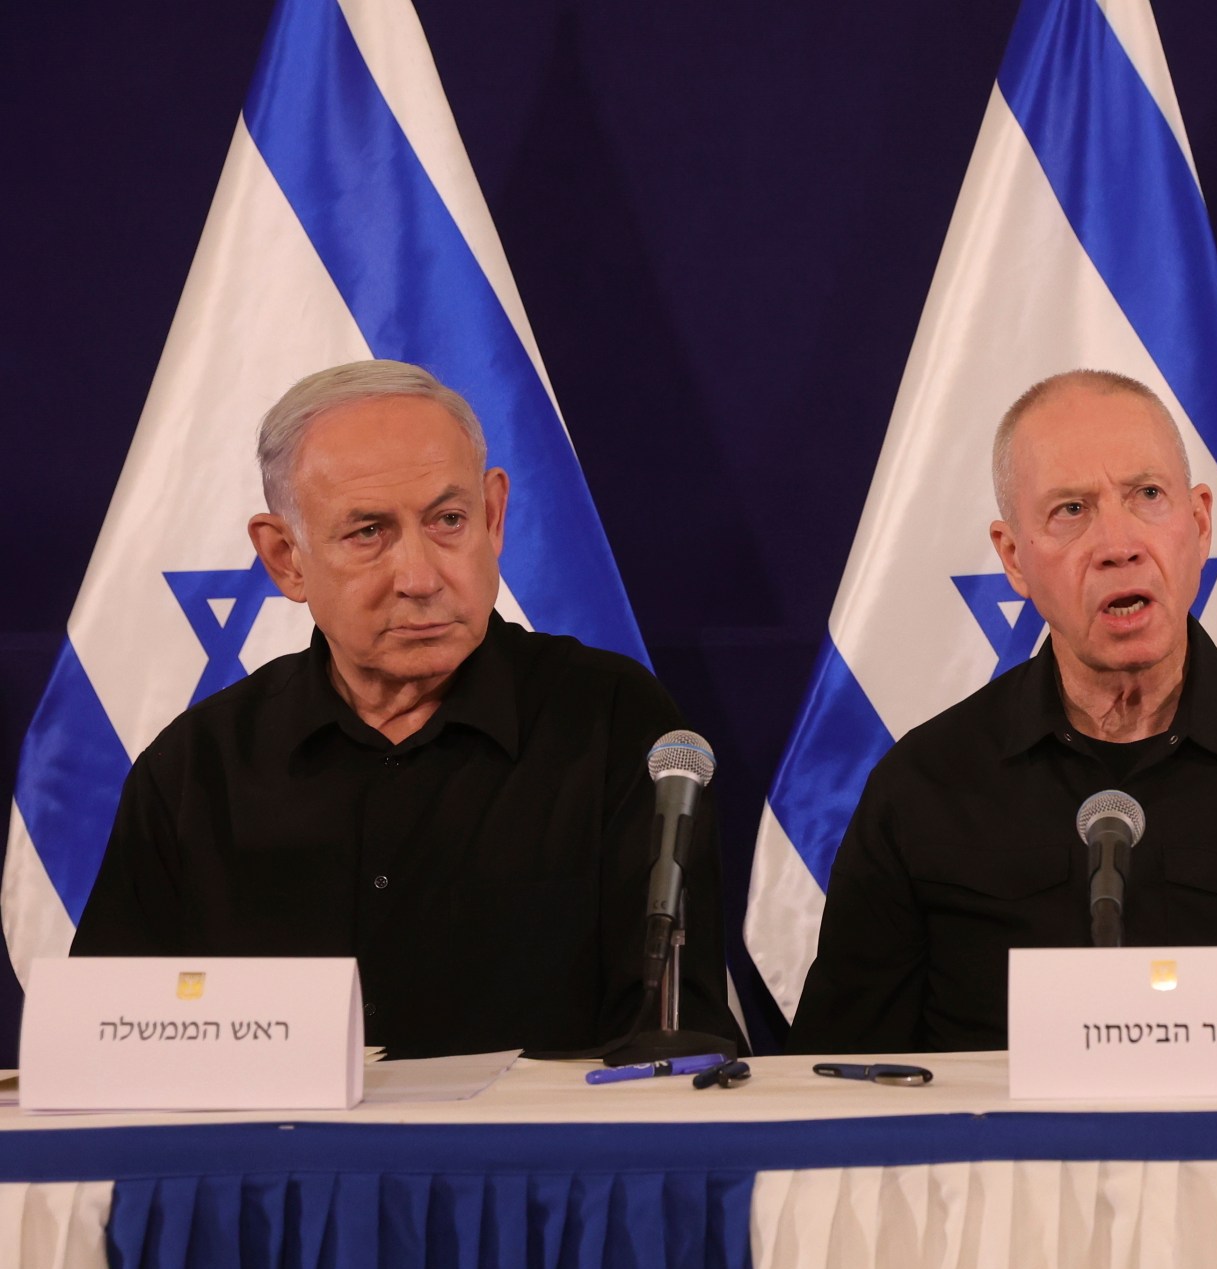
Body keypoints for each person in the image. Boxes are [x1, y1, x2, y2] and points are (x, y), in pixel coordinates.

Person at [788, 369, 1217, 1053]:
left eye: (1147, 495)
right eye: (1071, 511)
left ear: (1199, 524)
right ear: (1013, 559)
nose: (1118, 546)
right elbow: (838, 1080)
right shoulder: (925, 788)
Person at [74, 360, 737, 1058]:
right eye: (368, 533)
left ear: (493, 516)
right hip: (281, 1165)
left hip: (534, 1165)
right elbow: (112, 1049)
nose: (420, 578)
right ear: (285, 558)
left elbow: (667, 1039)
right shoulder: (196, 770)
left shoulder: (613, 723)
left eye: (448, 520)